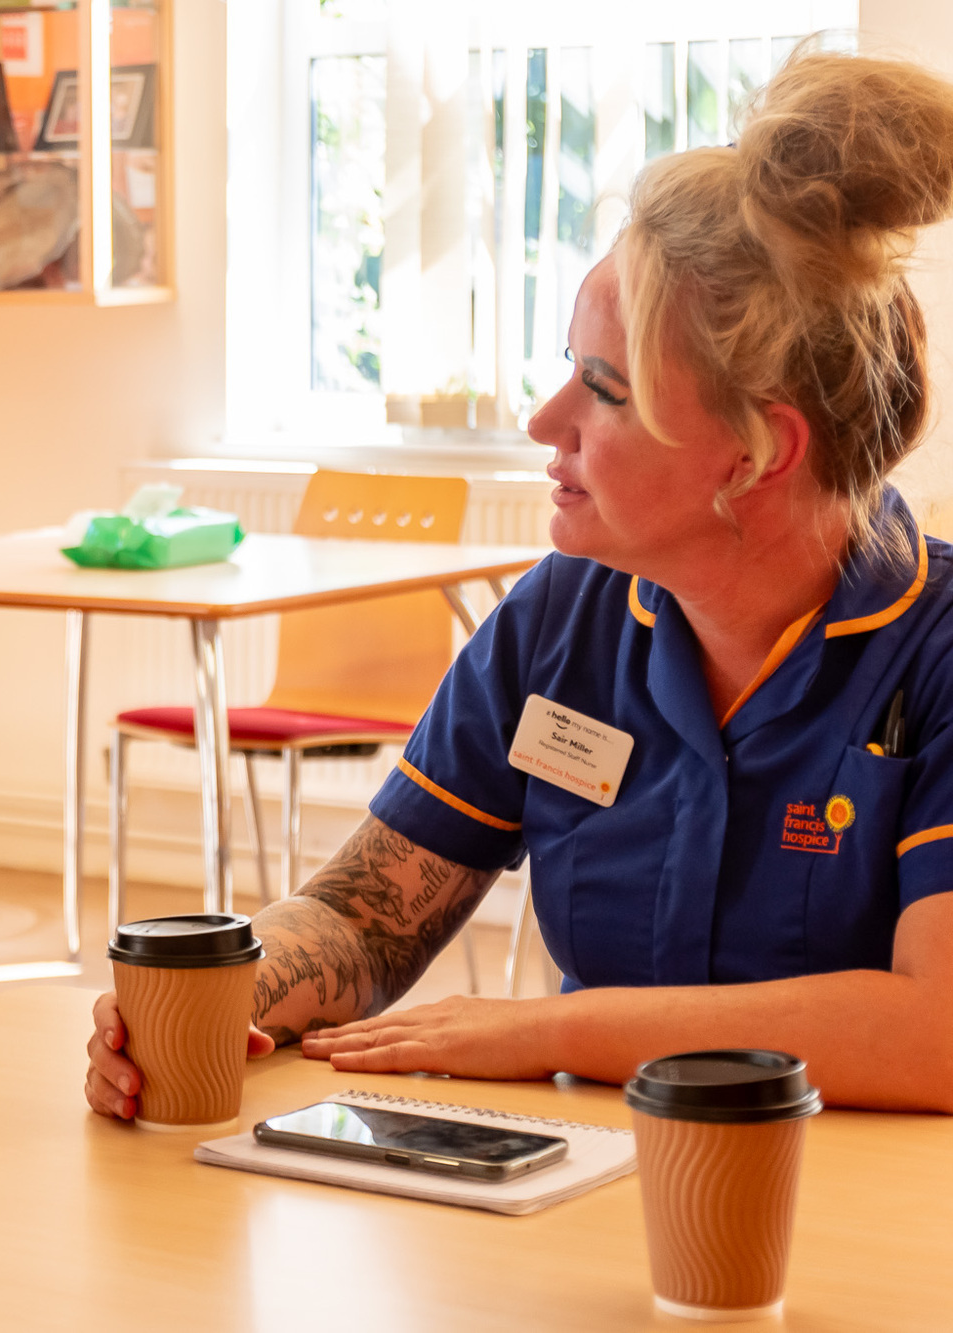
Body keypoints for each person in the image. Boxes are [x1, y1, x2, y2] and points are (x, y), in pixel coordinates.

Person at [87, 49, 953, 1119]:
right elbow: (367, 920)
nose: (544, 423)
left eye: (602, 389)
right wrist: (224, 986)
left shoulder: (938, 651)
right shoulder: (559, 618)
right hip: (596, 1190)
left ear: (752, 453)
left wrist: (549, 1032)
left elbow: (936, 1031)